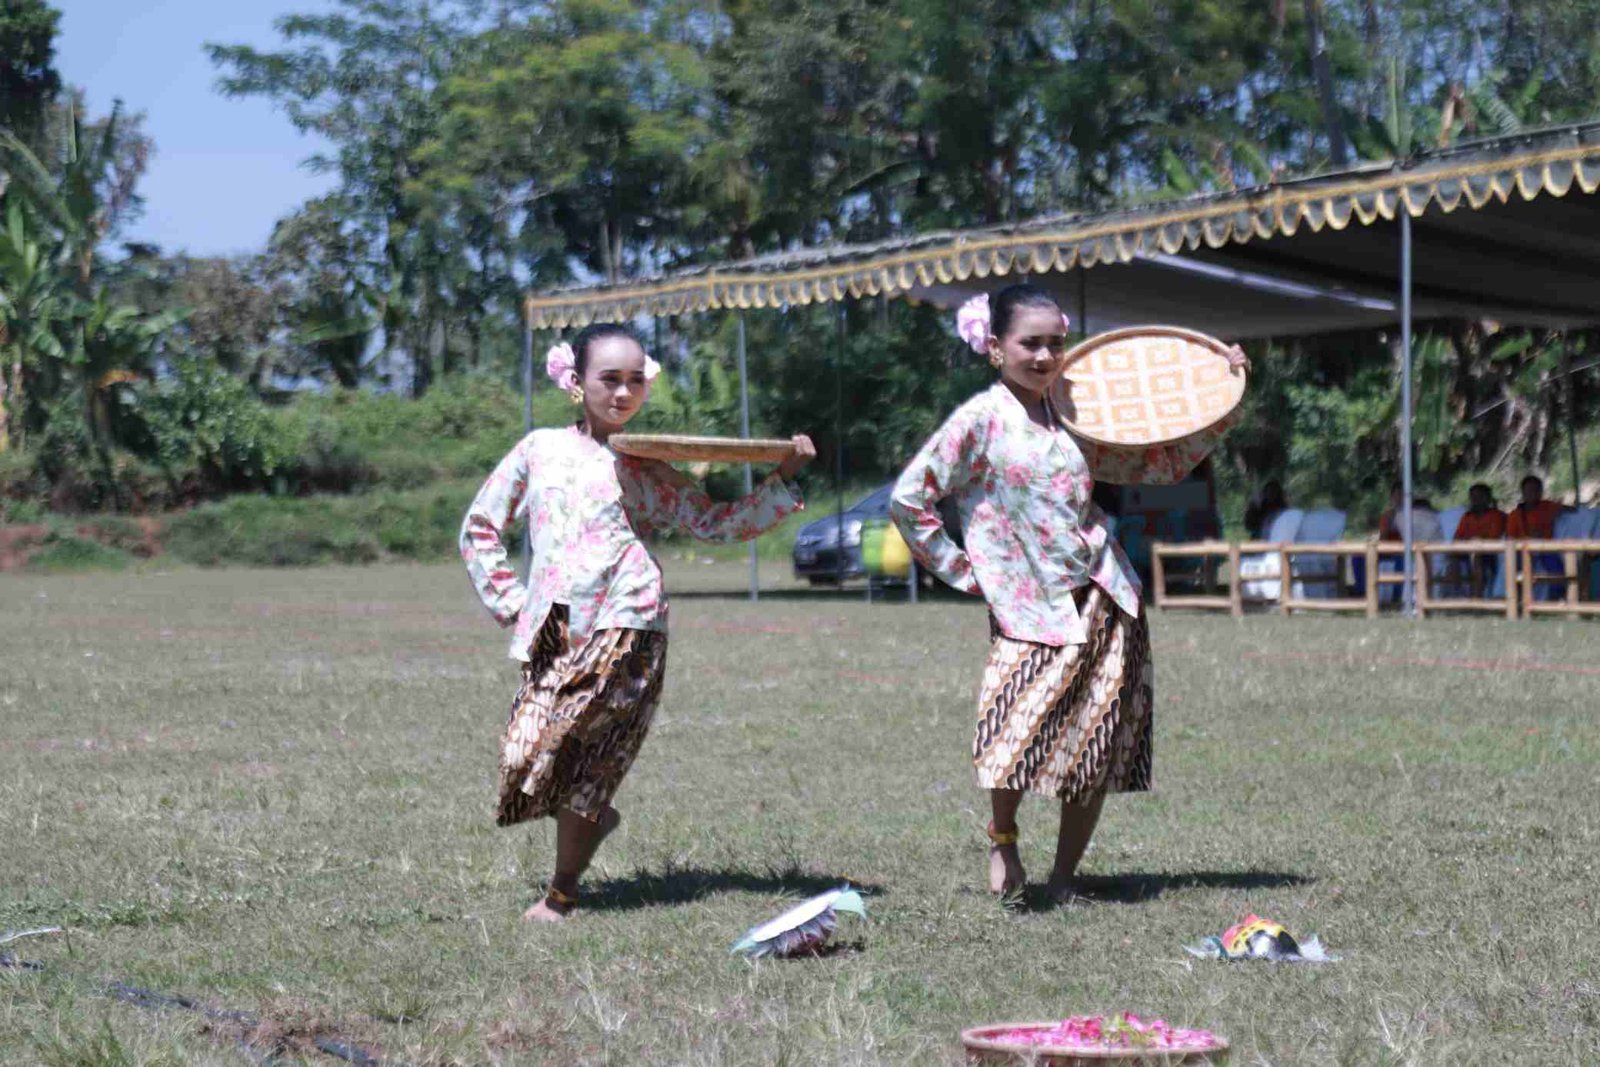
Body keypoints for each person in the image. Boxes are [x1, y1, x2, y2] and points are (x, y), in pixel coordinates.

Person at [890, 284, 1246, 902]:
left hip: (1105, 596)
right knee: (1008, 736)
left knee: (1094, 742)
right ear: (995, 347)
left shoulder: (1074, 411)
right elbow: (909, 498)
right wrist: (967, 571)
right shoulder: (979, 421)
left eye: (1056, 342)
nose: (1046, 356)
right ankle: (1003, 844)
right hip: (1027, 607)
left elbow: (1155, 465)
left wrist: (1226, 394)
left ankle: (1063, 879)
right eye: (1031, 343)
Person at [461, 323, 816, 922]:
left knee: (583, 754)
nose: (623, 394)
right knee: (525, 756)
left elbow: (716, 524)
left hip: (630, 622)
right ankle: (593, 819)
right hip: (551, 626)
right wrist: (512, 603)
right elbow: (480, 527)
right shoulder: (539, 450)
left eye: (634, 382)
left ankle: (562, 894)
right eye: (609, 380)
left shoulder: (646, 465)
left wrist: (783, 478)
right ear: (576, 384)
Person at [1452, 483, 1506, 597]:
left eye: (1478, 497)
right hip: (1468, 550)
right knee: (1452, 558)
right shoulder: (1467, 517)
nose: (1475, 501)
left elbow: (1495, 537)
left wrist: (1478, 540)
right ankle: (1456, 596)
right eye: (1472, 498)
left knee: (1477, 558)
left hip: (1490, 553)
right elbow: (1457, 537)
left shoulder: (1496, 515)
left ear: (1487, 499)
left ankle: (1477, 596)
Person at [1505, 475, 1564, 539]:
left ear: (1541, 491)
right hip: (1525, 547)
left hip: (1550, 547)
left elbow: (1570, 510)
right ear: (1523, 492)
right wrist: (1530, 538)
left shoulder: (1548, 506)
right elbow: (1510, 540)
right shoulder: (1514, 516)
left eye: (1537, 490)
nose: (1534, 494)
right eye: (1530, 491)